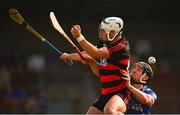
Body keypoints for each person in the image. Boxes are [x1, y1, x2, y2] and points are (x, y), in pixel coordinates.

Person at [60, 17, 132, 114]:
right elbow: (87, 53)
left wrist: (79, 37)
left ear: (114, 32)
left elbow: (96, 53)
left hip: (121, 92)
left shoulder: (121, 46)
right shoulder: (105, 43)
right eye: (101, 30)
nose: (102, 33)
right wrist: (68, 56)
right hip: (106, 92)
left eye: (105, 31)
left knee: (110, 111)